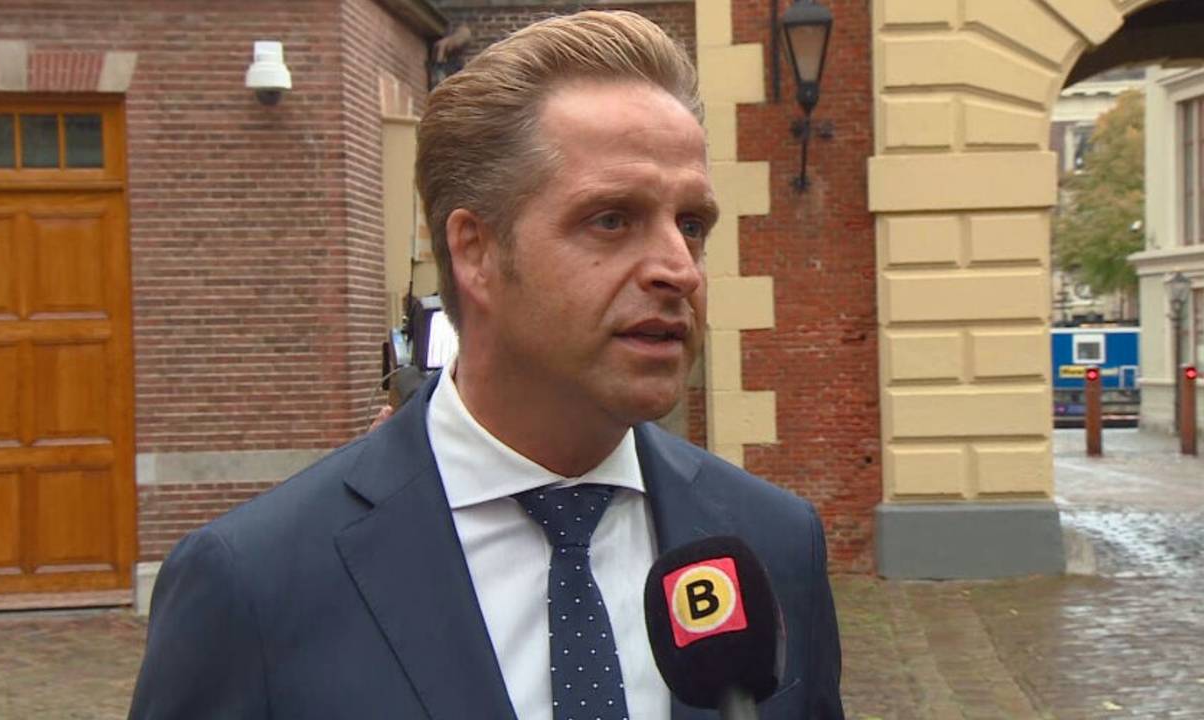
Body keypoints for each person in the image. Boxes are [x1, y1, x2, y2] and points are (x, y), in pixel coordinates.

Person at [129, 10, 844, 720]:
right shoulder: (254, 584)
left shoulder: (774, 543)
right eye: (612, 220)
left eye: (691, 225)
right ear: (475, 251)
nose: (679, 269)